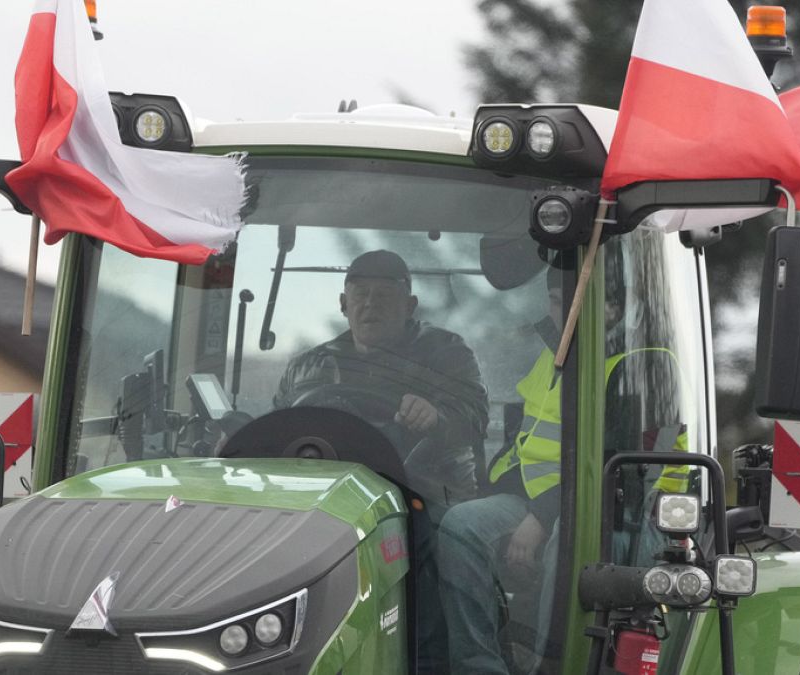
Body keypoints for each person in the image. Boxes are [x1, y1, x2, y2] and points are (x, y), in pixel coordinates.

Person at [437, 264, 691, 675]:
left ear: (610, 309)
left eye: (564, 302)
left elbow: (627, 477)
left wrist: (541, 518)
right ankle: (479, 666)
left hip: (630, 517)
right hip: (549, 499)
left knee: (567, 545)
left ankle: (551, 666)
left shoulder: (647, 365)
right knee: (459, 525)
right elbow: (527, 441)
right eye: (554, 301)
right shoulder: (557, 354)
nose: (555, 312)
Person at [273, 249, 490, 505]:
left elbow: (475, 418)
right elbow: (276, 432)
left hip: (423, 498)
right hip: (326, 496)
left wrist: (436, 417)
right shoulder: (305, 367)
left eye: (384, 295)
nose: (370, 303)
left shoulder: (447, 353)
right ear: (344, 304)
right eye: (361, 293)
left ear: (410, 306)